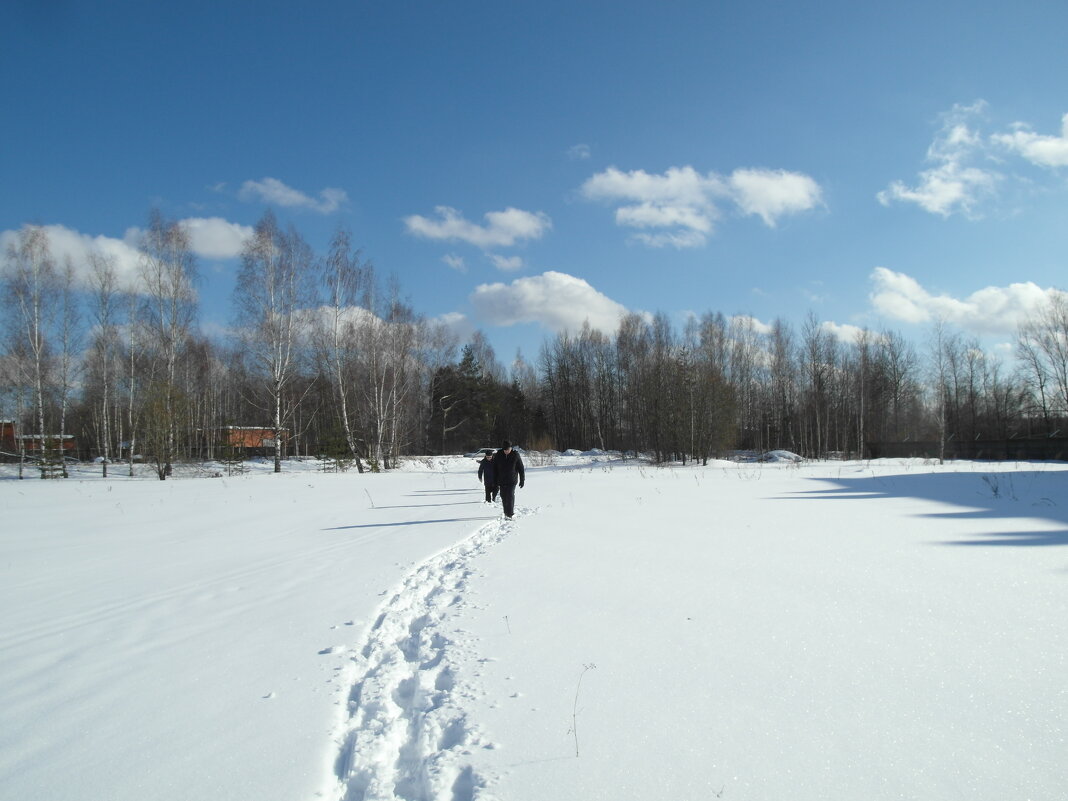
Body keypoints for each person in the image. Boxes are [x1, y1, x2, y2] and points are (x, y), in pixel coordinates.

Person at [491, 439, 525, 519]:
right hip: (501, 480)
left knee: (510, 495)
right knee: (503, 496)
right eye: (504, 450)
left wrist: (522, 479)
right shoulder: (498, 455)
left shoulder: (515, 455)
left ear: (511, 448)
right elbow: (494, 468)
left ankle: (510, 514)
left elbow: (521, 468)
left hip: (512, 480)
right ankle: (506, 512)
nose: (506, 451)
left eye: (508, 449)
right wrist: (495, 480)